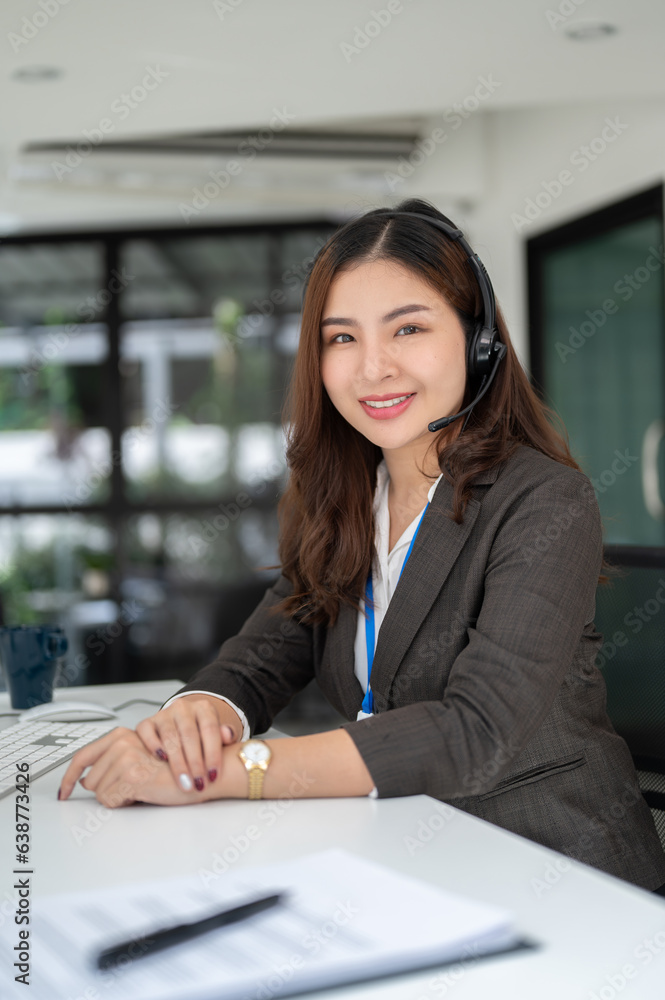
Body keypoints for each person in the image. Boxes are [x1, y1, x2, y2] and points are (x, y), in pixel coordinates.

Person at [60, 199, 665, 893]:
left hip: (556, 876)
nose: (372, 368)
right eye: (340, 338)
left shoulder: (543, 501)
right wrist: (194, 721)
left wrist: (221, 776)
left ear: (478, 343)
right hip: (396, 857)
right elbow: (261, 660)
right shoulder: (344, 500)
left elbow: (476, 733)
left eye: (407, 328)